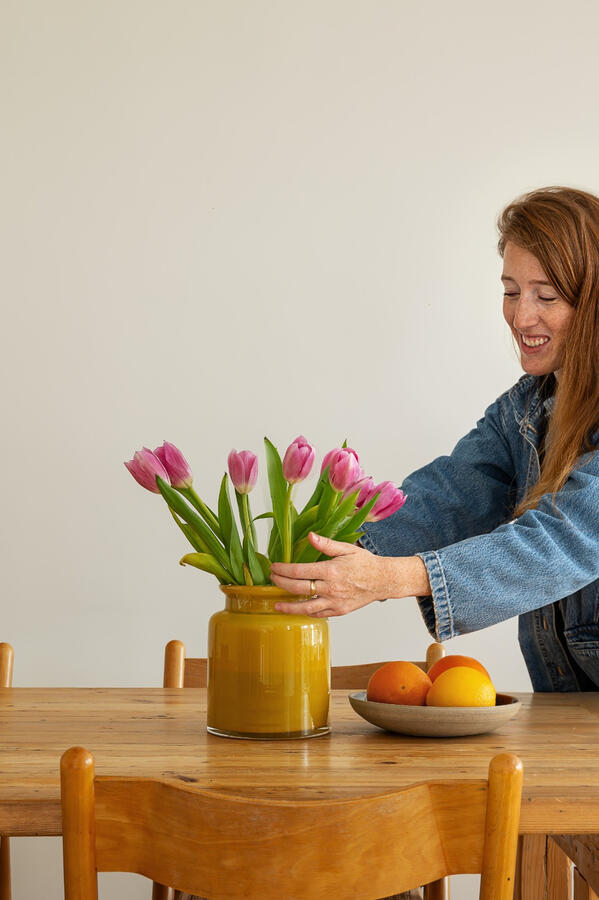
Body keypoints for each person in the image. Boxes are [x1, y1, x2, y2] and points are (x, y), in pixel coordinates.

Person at [271, 185, 599, 692]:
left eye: (547, 296)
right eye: (511, 291)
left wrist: (389, 578)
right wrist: (315, 551)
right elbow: (449, 495)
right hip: (569, 724)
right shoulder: (525, 410)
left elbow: (563, 541)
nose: (521, 317)